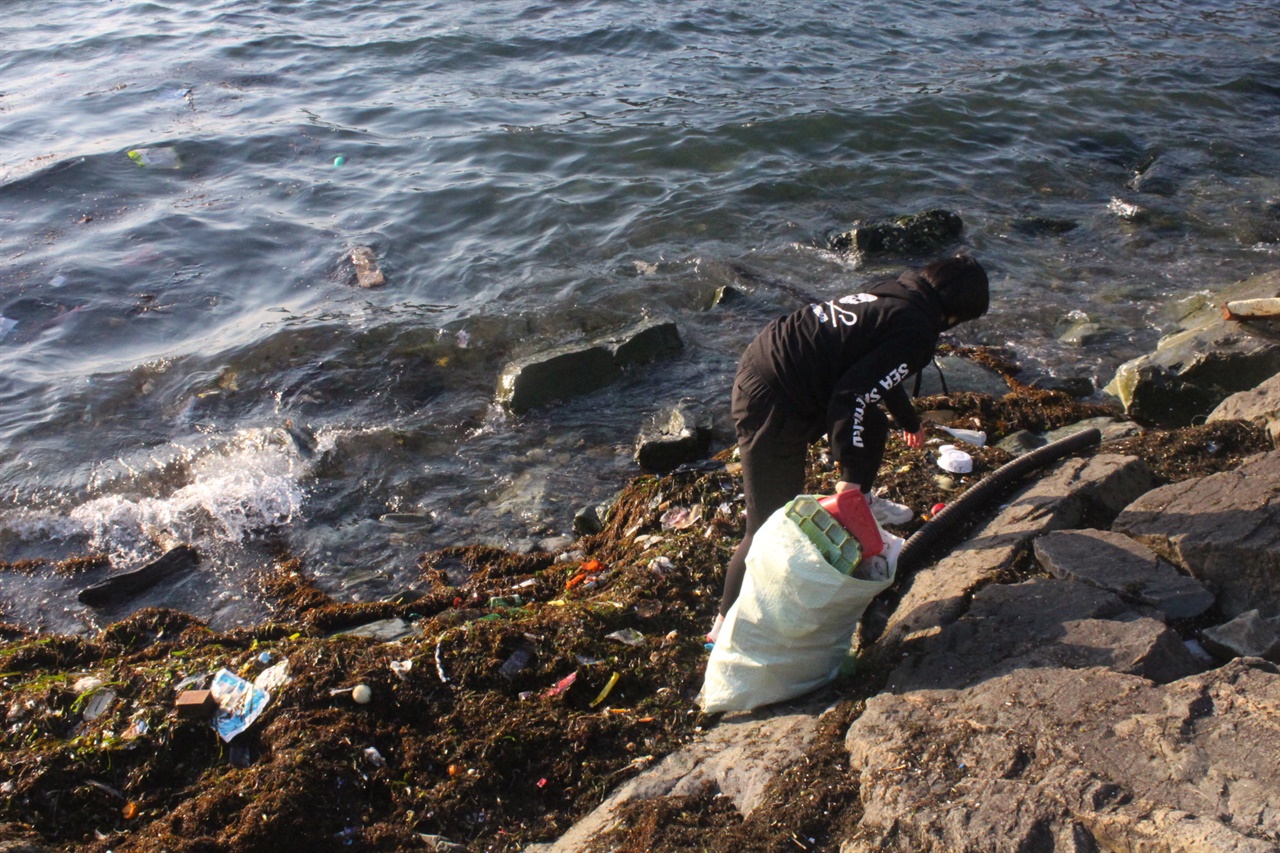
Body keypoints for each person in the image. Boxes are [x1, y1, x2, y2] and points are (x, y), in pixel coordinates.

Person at [709, 254, 990, 643]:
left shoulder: (898, 292)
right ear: (956, 315)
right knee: (767, 526)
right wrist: (849, 482)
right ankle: (723, 628)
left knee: (871, 422)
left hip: (780, 362)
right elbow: (851, 394)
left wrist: (909, 422)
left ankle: (866, 500)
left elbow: (874, 371)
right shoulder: (917, 331)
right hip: (773, 396)